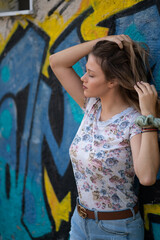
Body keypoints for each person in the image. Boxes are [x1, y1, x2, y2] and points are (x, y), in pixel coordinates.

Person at [49, 34, 160, 240]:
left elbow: (146, 176)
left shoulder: (134, 121)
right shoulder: (91, 105)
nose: (83, 78)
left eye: (91, 75)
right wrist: (101, 43)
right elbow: (56, 62)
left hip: (117, 229)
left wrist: (149, 116)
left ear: (113, 81)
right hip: (80, 222)